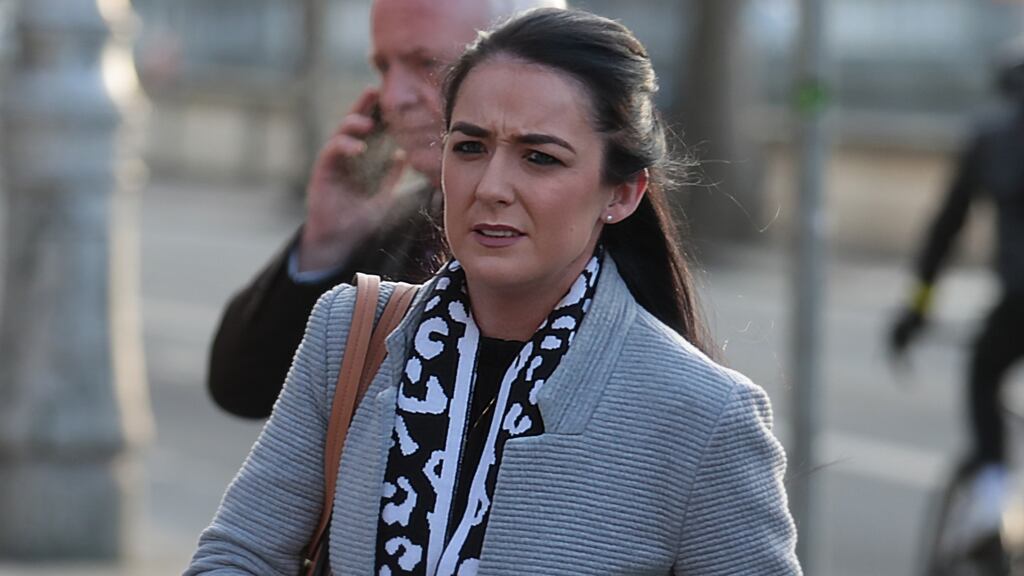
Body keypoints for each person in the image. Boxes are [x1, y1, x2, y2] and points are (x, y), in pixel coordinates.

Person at [187, 8, 801, 574]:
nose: (492, 187)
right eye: (471, 147)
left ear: (622, 194)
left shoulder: (705, 415)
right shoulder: (352, 331)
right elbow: (238, 554)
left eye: (540, 158)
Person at [208, 0, 566, 419]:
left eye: (427, 64)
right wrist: (327, 242)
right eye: (383, 68)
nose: (393, 97)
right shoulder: (398, 223)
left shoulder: (585, 247)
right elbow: (244, 389)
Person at [888, 39, 1024, 555]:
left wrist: (916, 310)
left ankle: (991, 500)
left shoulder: (990, 137)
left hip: (1017, 301)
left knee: (984, 374)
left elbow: (945, 231)